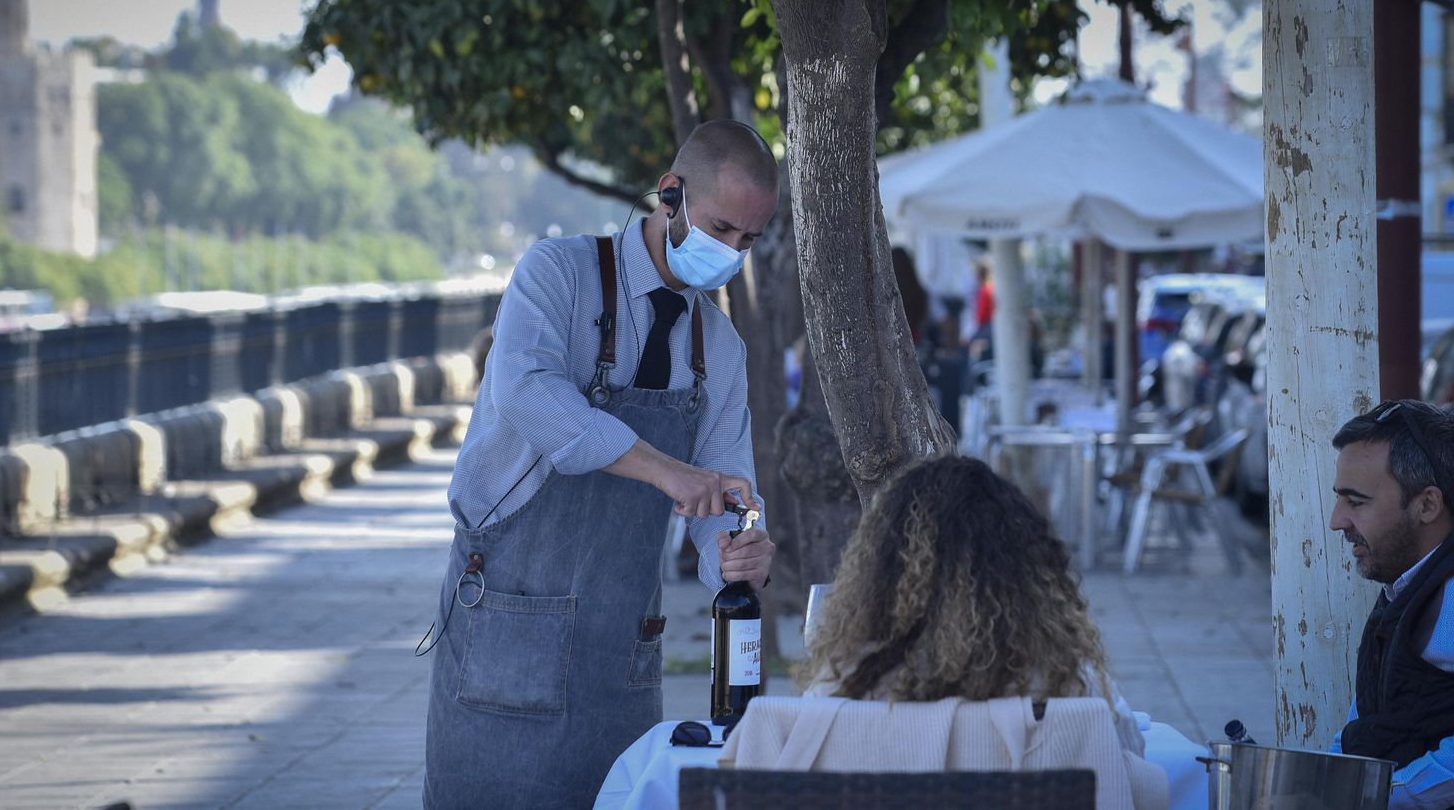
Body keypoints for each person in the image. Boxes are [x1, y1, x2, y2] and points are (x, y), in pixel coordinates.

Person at [423, 120, 779, 809]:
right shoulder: (556, 274)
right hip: (504, 637)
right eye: (722, 228)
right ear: (670, 193)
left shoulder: (722, 348)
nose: (732, 252)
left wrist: (737, 551)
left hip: (621, 663)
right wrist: (665, 470)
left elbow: (724, 489)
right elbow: (529, 394)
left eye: (749, 240)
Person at [798, 455, 1146, 758]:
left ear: (879, 574)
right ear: (1025, 575)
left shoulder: (844, 689)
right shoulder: (1069, 686)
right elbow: (1127, 760)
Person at [1327, 399, 1454, 809]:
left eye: (1356, 501)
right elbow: (1365, 712)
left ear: (1427, 505)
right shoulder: (1407, 580)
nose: (1337, 520)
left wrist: (1381, 795)